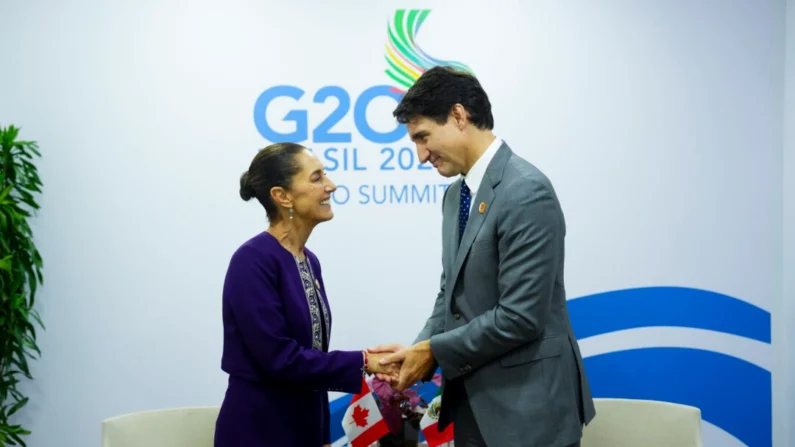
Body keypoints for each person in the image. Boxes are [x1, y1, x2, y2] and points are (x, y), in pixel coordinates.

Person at [369, 66, 596, 446]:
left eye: (423, 137)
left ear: (459, 116)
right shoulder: (454, 197)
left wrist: (432, 351)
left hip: (530, 414)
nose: (421, 156)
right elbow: (451, 296)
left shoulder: (525, 191)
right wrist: (416, 351)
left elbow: (521, 316)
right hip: (473, 408)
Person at [214, 142, 397, 447]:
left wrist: (321, 433)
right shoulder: (252, 260)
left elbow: (313, 358)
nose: (331, 186)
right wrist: (365, 361)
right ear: (282, 196)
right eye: (316, 178)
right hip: (259, 431)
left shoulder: (309, 260)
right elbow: (279, 358)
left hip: (304, 429)